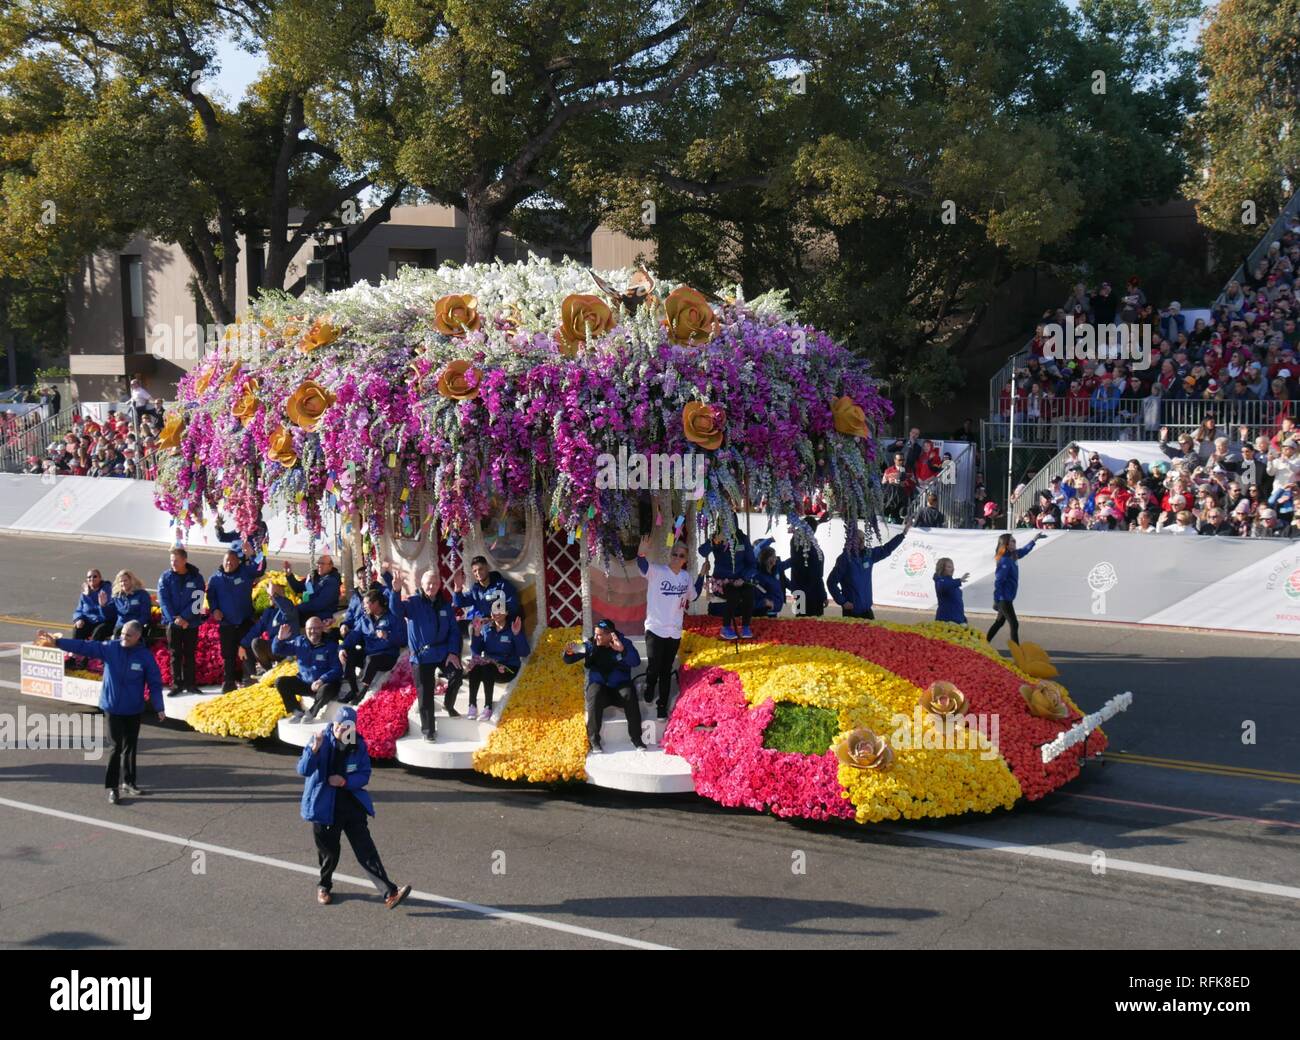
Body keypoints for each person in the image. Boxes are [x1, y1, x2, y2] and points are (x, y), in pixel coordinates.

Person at [298, 705, 411, 909]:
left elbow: (364, 774)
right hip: (325, 807)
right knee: (330, 853)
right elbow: (304, 769)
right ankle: (324, 886)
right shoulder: (320, 741)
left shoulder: (358, 745)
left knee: (366, 849)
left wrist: (344, 782)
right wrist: (313, 751)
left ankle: (390, 893)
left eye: (347, 728)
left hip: (351, 806)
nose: (342, 731)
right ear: (334, 723)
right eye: (339, 726)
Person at [41, 621, 164, 805]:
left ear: (138, 637)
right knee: (115, 748)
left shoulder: (144, 656)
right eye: (122, 633)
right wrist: (58, 643)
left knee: (130, 747)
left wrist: (159, 706)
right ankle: (112, 788)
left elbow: (154, 682)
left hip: (133, 709)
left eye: (128, 635)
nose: (123, 637)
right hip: (112, 708)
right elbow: (85, 646)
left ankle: (129, 782)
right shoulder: (110, 648)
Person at [383, 563, 462, 739]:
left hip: (442, 652)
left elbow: (454, 631)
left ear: (440, 584)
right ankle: (428, 731)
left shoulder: (445, 605)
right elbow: (396, 611)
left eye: (435, 583)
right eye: (428, 583)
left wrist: (453, 652)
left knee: (457, 674)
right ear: (422, 584)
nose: (432, 586)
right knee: (425, 694)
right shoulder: (413, 602)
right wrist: (395, 592)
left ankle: (449, 705)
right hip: (422, 655)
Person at [636, 534, 702, 720]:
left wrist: (703, 575)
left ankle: (661, 707)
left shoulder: (686, 577)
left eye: (681, 556)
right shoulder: (657, 571)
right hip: (655, 628)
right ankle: (649, 685)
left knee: (666, 670)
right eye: (675, 554)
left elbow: (693, 596)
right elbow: (642, 567)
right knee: (654, 667)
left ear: (685, 560)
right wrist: (641, 553)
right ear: (670, 555)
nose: (677, 558)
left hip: (674, 631)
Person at [564, 619, 644, 753]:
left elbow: (635, 661)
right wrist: (569, 652)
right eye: (595, 634)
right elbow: (569, 659)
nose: (596, 637)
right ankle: (594, 740)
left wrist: (622, 651)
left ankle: (636, 739)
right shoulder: (590, 645)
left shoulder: (624, 643)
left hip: (619, 688)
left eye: (599, 635)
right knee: (594, 693)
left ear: (610, 635)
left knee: (629, 694)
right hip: (601, 689)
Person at [206, 544, 266, 692]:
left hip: (244, 621)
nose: (229, 564)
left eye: (232, 561)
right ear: (223, 561)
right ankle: (228, 682)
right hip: (227, 623)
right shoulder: (215, 579)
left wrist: (253, 554)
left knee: (246, 650)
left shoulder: (245, 572)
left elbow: (260, 568)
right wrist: (215, 610)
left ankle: (248, 679)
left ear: (238, 562)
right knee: (228, 654)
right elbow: (211, 597)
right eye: (227, 561)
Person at [828, 520, 910, 620]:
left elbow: (886, 549)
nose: (862, 541)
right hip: (852, 610)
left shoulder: (868, 555)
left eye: (863, 538)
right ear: (851, 541)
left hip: (866, 608)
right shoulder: (844, 559)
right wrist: (843, 602)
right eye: (858, 539)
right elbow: (831, 582)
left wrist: (903, 534)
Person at [466, 601, 530, 720]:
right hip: (490, 667)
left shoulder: (512, 628)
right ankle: (472, 705)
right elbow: (476, 651)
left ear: (506, 613)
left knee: (488, 667)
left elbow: (524, 653)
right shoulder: (487, 628)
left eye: (500, 610)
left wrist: (517, 634)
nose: (497, 613)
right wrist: (477, 633)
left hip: (508, 668)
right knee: (476, 666)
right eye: (494, 610)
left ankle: (488, 707)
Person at [273, 618, 345, 722]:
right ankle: (296, 711)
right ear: (305, 630)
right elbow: (277, 650)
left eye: (316, 628)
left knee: (326, 689)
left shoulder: (331, 645)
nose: (312, 631)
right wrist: (280, 639)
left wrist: (322, 680)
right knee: (280, 682)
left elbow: (337, 669)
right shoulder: (299, 642)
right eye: (310, 629)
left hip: (324, 684)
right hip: (306, 683)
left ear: (321, 629)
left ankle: (312, 712)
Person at [339, 590, 404, 701]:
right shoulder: (364, 619)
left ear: (376, 603)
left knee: (371, 659)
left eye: (366, 603)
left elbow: (403, 640)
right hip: (369, 653)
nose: (364, 606)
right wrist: (342, 648)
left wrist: (387, 636)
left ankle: (363, 691)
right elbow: (353, 636)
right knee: (349, 654)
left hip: (387, 655)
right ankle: (354, 690)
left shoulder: (392, 617)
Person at [158, 546, 206, 697]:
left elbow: (198, 600)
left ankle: (191, 684)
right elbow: (163, 601)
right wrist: (176, 619)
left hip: (191, 623)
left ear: (185, 560)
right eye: (172, 561)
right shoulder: (165, 577)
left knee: (190, 654)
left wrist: (185, 618)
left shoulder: (196, 577)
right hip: (173, 623)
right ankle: (177, 685)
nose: (173, 564)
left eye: (177, 561)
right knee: (175, 654)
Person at [987, 532, 1044, 648]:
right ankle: (1017, 651)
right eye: (1013, 541)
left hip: (1008, 596)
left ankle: (984, 643)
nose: (1015, 542)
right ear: (1006, 544)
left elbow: (1024, 551)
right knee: (1014, 624)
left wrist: (1034, 540)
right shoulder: (1004, 560)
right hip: (1004, 598)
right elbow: (999, 581)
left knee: (999, 622)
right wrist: (996, 599)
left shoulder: (1013, 555)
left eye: (1015, 541)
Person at [698, 529, 757, 640]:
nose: (728, 526)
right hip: (720, 582)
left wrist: (743, 578)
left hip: (740, 580)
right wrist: (715, 540)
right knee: (733, 594)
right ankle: (726, 627)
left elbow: (752, 564)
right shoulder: (716, 538)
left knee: (749, 592)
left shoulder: (743, 539)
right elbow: (702, 552)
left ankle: (745, 626)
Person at [452, 555, 521, 625]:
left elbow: (514, 604)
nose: (478, 573)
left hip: (503, 627)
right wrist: (458, 588)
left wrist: (499, 613)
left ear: (487, 568)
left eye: (480, 569)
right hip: (485, 629)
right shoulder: (475, 590)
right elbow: (459, 603)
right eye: (475, 571)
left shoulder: (502, 585)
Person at [242, 581, 292, 673]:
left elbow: (286, 608)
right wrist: (242, 645)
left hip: (288, 648)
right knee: (255, 643)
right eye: (269, 594)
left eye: (272, 594)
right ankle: (269, 672)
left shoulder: (289, 607)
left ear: (281, 595)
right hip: (274, 647)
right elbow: (257, 629)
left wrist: (275, 596)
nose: (269, 597)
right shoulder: (269, 612)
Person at [282, 553, 342, 628]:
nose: (319, 565)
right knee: (285, 617)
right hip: (308, 612)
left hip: (322, 616)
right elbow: (299, 588)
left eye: (322, 564)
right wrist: (289, 575)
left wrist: (298, 608)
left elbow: (319, 604)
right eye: (318, 563)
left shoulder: (331, 581)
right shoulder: (314, 577)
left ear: (330, 566)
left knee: (290, 620)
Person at [71, 568, 116, 667]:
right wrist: (79, 619)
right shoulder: (85, 592)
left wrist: (103, 606)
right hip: (90, 621)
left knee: (98, 631)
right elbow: (79, 609)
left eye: (95, 576)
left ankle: (88, 658)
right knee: (78, 629)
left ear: (100, 578)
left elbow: (109, 615)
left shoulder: (106, 590)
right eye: (89, 577)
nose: (92, 579)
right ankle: (73, 657)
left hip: (105, 621)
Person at [109, 570, 152, 637]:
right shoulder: (117, 596)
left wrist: (133, 625)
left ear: (131, 580)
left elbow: (145, 615)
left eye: (125, 580)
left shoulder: (141, 594)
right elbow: (109, 613)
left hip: (136, 626)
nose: (123, 583)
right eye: (121, 581)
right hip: (120, 626)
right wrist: (103, 606)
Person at [752, 540, 785, 617]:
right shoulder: (758, 576)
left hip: (774, 613)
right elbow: (754, 599)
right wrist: (769, 540)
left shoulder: (774, 572)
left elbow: (789, 562)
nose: (776, 558)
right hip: (763, 615)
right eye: (773, 556)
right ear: (767, 559)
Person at [933, 558, 970, 625]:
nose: (952, 569)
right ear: (942, 568)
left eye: (953, 567)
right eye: (949, 567)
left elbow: (957, 603)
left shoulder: (952, 582)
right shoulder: (939, 581)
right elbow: (944, 586)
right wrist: (959, 580)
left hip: (958, 620)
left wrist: (963, 618)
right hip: (945, 621)